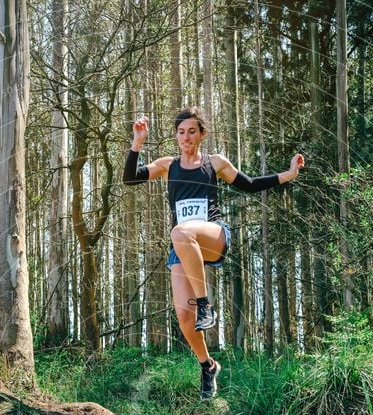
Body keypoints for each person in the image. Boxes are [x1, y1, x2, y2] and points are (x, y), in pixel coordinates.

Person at [123, 105, 305, 400]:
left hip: (213, 236)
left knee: (181, 232)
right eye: (181, 132)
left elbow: (249, 185)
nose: (186, 137)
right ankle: (207, 366)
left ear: (202, 134)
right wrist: (137, 144)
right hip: (181, 248)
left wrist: (289, 174)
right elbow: (129, 179)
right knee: (183, 315)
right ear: (176, 136)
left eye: (192, 132)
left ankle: (206, 305)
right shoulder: (168, 165)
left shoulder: (215, 163)